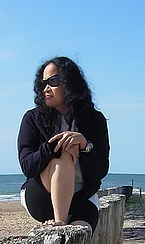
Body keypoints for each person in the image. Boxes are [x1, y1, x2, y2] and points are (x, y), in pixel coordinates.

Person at [18, 56, 109, 232]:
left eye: (53, 81)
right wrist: (55, 146)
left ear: (70, 82)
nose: (46, 88)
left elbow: (100, 171)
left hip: (81, 198)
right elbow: (27, 166)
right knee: (64, 155)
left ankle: (65, 227)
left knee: (80, 235)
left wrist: (84, 145)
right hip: (42, 196)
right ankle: (60, 222)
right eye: (43, 83)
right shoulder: (32, 119)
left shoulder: (95, 120)